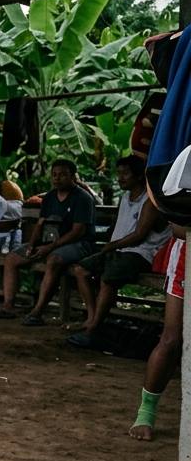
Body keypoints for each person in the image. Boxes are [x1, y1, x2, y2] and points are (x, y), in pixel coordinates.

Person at [67, 156, 170, 347]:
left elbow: (140, 235)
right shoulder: (124, 197)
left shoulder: (150, 201)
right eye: (119, 173)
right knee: (80, 270)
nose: (120, 178)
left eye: (126, 174)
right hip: (119, 250)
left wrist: (111, 246)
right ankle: (92, 317)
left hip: (140, 253)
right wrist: (110, 244)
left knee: (108, 279)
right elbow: (117, 227)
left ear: (139, 176)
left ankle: (93, 330)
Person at [0, 159, 95, 325]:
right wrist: (33, 244)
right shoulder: (49, 197)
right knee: (11, 259)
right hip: (48, 243)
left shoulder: (82, 198)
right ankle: (8, 306)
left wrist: (49, 247)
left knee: (53, 260)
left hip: (78, 244)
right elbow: (40, 224)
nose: (57, 178)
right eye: (54, 175)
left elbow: (78, 231)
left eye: (63, 175)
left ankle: (37, 312)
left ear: (73, 177)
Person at [128, 225, 185, 440]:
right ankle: (146, 412)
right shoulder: (176, 189)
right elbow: (179, 228)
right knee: (171, 340)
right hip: (187, 258)